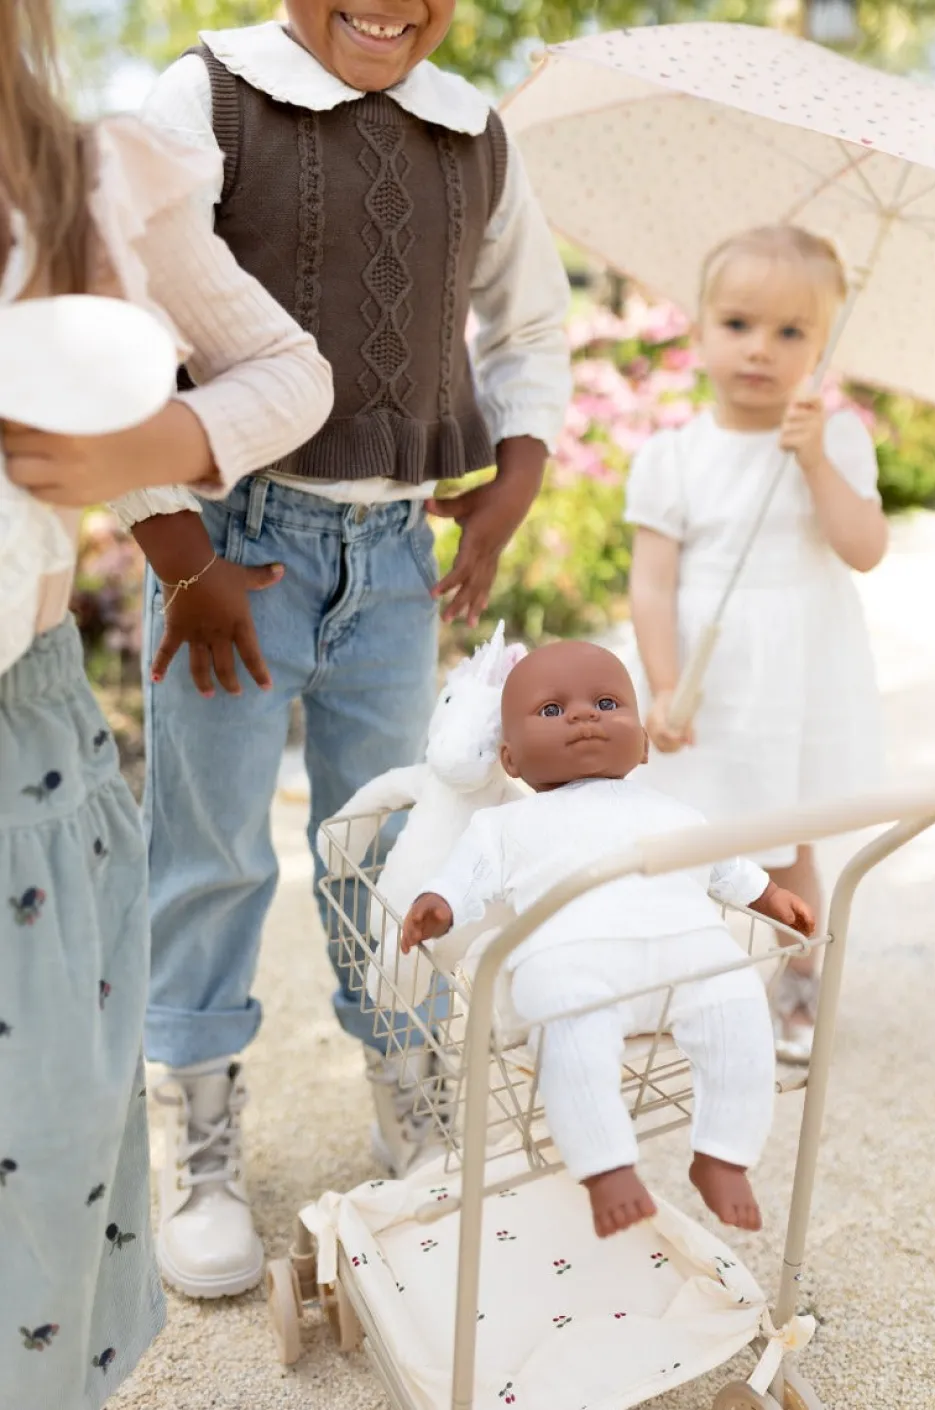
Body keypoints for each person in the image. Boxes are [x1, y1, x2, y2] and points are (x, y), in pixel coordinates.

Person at [126, 2, 571, 1298]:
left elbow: (528, 326)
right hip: (229, 547)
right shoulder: (205, 97)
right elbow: (124, 324)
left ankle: (406, 1084)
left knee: (393, 839)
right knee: (210, 846)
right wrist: (179, 555)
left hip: (393, 558)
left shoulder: (471, 131)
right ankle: (200, 1134)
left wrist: (514, 480)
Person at [0, 1, 333, 1402]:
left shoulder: (75, 181)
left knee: (38, 1145)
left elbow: (288, 370)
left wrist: (155, 453)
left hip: (16, 757)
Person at [402, 642, 814, 1237]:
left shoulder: (672, 810)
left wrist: (769, 895)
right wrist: (438, 902)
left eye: (605, 703)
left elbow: (722, 864)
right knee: (567, 1030)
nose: (582, 716)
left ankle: (724, 1154)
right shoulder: (503, 824)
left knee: (740, 1001)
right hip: (574, 960)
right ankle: (606, 1166)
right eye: (552, 710)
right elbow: (465, 874)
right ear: (510, 759)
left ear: (642, 745)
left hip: (689, 949)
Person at [624, 225, 887, 1065]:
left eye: (791, 331)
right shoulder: (673, 456)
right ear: (700, 326)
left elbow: (864, 548)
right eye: (738, 324)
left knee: (785, 837)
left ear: (822, 342)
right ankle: (681, 979)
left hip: (793, 679)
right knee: (688, 833)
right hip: (707, 677)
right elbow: (652, 584)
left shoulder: (833, 440)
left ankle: (799, 979)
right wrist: (664, 685)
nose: (760, 349)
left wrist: (814, 463)